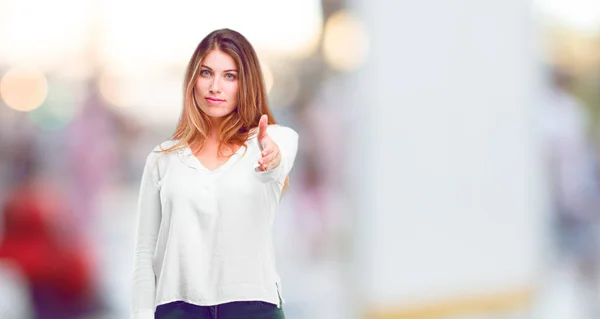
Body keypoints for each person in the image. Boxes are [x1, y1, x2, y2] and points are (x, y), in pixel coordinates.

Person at [130, 28, 299, 319]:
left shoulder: (275, 140)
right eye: (206, 73)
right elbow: (145, 250)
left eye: (229, 76)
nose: (215, 86)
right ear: (193, 80)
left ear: (246, 84)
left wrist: (271, 157)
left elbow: (275, 166)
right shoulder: (162, 158)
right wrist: (141, 314)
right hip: (177, 309)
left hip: (253, 306)